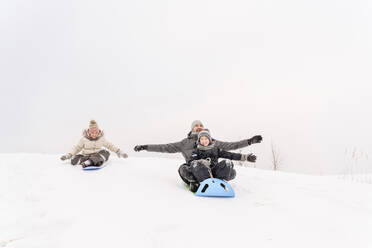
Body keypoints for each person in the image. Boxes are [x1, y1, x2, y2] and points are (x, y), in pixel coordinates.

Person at [134, 120, 262, 184]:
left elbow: (232, 146)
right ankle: (197, 183)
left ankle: (217, 181)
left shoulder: (213, 142)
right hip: (195, 170)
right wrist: (145, 146)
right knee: (183, 168)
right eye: (196, 126)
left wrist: (249, 142)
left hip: (213, 169)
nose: (199, 127)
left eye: (201, 125)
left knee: (230, 169)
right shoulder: (184, 143)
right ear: (192, 129)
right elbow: (164, 147)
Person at [188, 129, 256, 192]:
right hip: (202, 173)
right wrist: (201, 162)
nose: (204, 141)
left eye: (206, 139)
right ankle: (205, 185)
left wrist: (245, 157)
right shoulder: (196, 151)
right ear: (199, 141)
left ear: (209, 139)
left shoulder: (216, 149)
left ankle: (221, 184)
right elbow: (191, 162)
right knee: (194, 164)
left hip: (215, 172)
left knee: (227, 163)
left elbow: (230, 155)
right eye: (202, 139)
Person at [60, 120, 128, 168]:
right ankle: (85, 161)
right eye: (92, 133)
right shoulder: (84, 139)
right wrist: (69, 154)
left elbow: (110, 145)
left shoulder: (101, 139)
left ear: (98, 132)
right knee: (75, 159)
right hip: (86, 155)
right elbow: (77, 148)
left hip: (97, 155)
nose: (94, 134)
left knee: (106, 152)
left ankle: (88, 162)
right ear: (89, 132)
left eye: (96, 132)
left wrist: (119, 151)